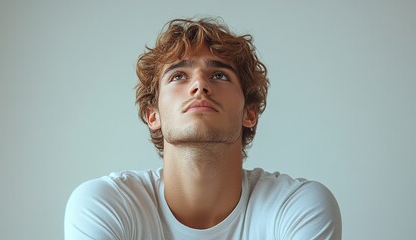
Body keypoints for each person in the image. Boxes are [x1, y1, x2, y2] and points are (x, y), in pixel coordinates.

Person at [64, 17, 342, 239]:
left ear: (250, 113)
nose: (199, 86)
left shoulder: (298, 207)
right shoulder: (105, 204)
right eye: (179, 76)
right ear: (153, 116)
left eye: (219, 75)